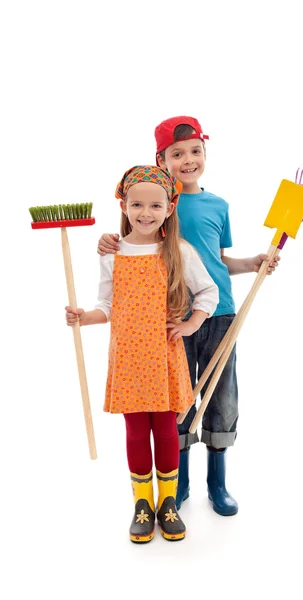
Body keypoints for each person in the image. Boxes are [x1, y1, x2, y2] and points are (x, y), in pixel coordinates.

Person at [97, 117, 280, 517]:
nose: (188, 159)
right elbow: (136, 246)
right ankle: (175, 483)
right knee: (176, 400)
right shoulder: (154, 203)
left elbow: (216, 262)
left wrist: (252, 263)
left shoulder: (218, 205)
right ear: (161, 160)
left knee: (219, 394)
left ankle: (218, 481)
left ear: (205, 154)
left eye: (196, 151)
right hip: (169, 319)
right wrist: (111, 239)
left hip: (220, 310)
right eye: (177, 154)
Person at [66, 165, 218, 543]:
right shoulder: (112, 253)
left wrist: (192, 324)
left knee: (166, 430)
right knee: (136, 431)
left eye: (155, 205)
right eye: (137, 204)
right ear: (124, 204)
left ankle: (168, 504)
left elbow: (208, 294)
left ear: (170, 207)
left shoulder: (178, 251)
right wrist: (85, 317)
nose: (145, 213)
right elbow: (108, 306)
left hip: (164, 358)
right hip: (129, 359)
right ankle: (142, 504)